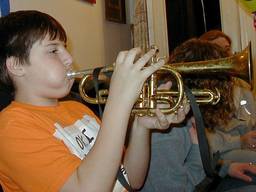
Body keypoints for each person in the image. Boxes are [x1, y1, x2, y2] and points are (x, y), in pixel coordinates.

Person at [0, 10, 189, 192]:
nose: (69, 58)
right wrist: (119, 102)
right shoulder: (9, 128)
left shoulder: (77, 109)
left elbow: (132, 180)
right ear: (16, 65)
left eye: (64, 47)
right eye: (53, 50)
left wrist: (141, 126)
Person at [140, 38, 256, 192]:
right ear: (209, 82)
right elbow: (172, 187)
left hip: (205, 179)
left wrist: (226, 167)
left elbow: (202, 160)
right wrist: (196, 149)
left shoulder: (187, 112)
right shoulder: (167, 126)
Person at [199, 29, 256, 164]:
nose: (226, 55)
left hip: (245, 144)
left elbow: (252, 117)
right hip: (221, 152)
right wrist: (239, 141)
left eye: (227, 49)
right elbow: (205, 138)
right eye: (218, 50)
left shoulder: (240, 83)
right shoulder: (201, 90)